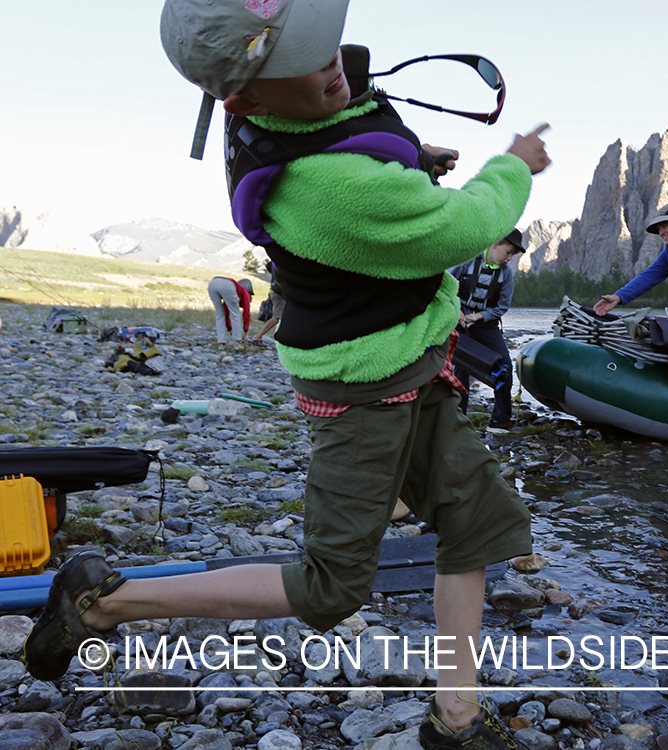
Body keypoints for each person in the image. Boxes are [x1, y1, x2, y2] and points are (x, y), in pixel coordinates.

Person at [23, 3, 551, 749]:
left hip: (415, 361)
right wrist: (512, 165)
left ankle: (456, 718)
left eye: (321, 36)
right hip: (364, 389)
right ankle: (104, 602)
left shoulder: (298, 113)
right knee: (331, 588)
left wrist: (414, 160)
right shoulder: (325, 186)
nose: (332, 58)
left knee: (474, 524)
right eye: (304, 54)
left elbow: (353, 144)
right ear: (244, 97)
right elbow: (456, 231)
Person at [449, 229, 525, 430]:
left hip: (486, 325)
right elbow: (445, 284)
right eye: (507, 252)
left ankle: (500, 420)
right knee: (461, 370)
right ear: (495, 243)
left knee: (504, 366)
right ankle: (458, 418)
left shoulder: (506, 275)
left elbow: (501, 307)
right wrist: (457, 310)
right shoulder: (466, 260)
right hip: (459, 321)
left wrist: (480, 316)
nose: (509, 258)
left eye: (512, 255)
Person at [207, 276, 253, 345]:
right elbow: (246, 313)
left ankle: (221, 341)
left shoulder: (234, 293)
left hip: (212, 283)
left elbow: (225, 312)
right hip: (227, 285)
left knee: (219, 313)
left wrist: (230, 328)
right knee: (235, 313)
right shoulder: (246, 293)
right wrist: (245, 331)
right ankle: (237, 341)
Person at [251, 261, 286, 345]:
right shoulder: (281, 261)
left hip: (276, 289)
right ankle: (258, 337)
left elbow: (268, 265)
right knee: (277, 317)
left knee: (285, 315)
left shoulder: (275, 261)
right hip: (279, 291)